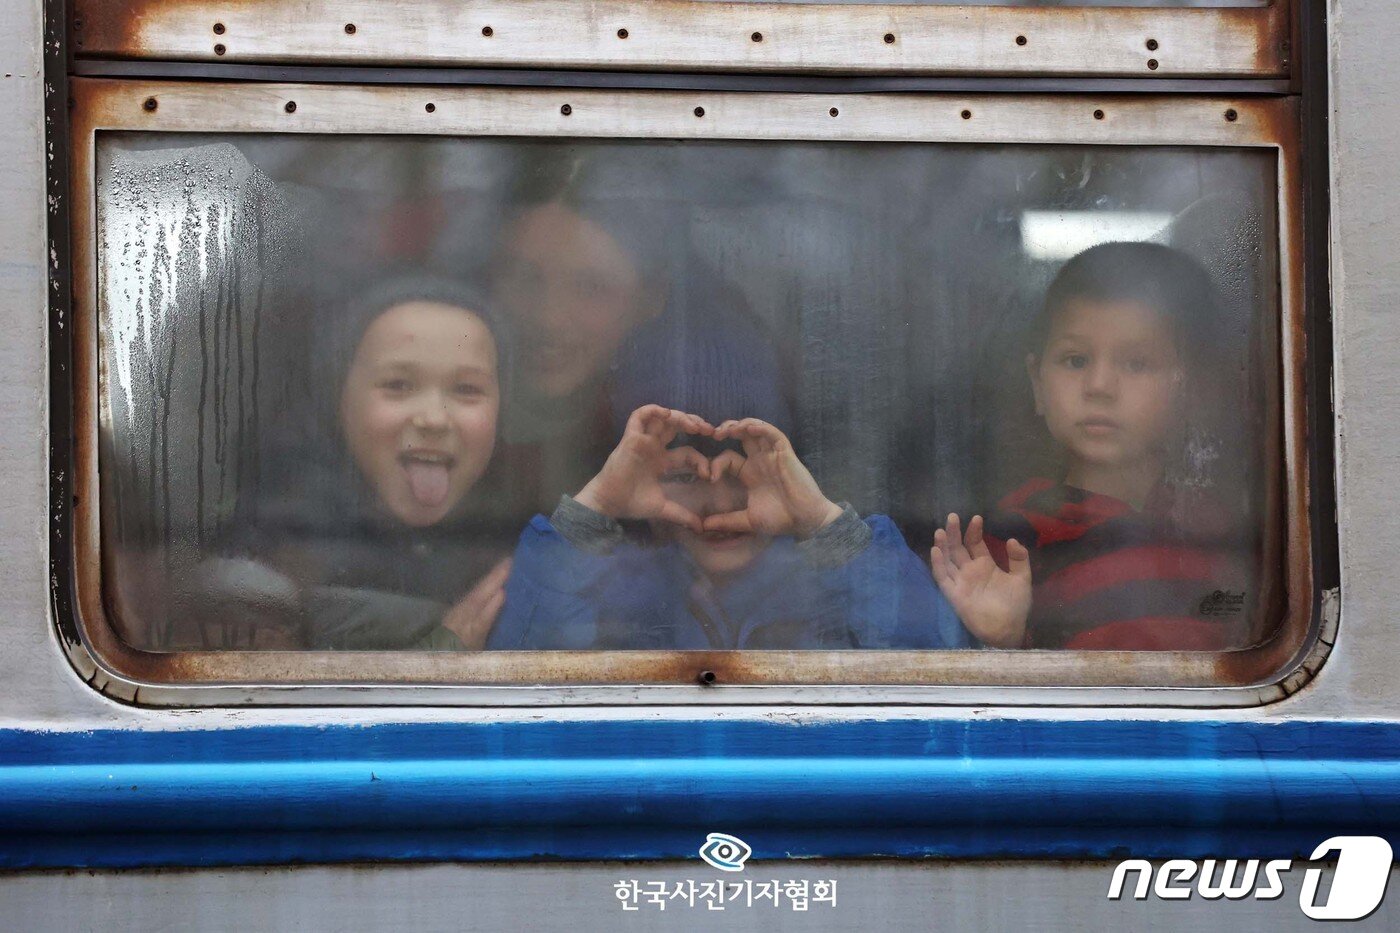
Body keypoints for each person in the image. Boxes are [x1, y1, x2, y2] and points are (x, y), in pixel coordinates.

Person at [488, 322, 970, 650]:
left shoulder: (834, 589)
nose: (718, 503)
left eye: (743, 475)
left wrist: (827, 527)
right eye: (684, 476)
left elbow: (931, 671)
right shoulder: (610, 591)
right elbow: (522, 671)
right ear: (640, 481)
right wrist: (596, 508)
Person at [929, 242, 1251, 651]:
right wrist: (1005, 639)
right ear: (1038, 383)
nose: (1099, 386)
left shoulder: (1218, 528)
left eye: (1136, 363)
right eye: (1076, 360)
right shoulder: (1010, 541)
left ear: (1189, 389)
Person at [203, 273, 514, 650]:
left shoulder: (510, 545)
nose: (434, 418)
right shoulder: (277, 546)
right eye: (398, 385)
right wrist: (443, 652)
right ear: (338, 401)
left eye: (467, 389)